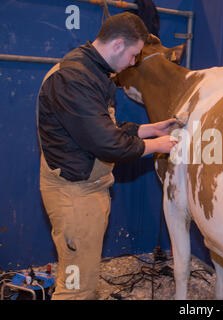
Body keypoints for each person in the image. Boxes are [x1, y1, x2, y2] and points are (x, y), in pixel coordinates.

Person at [37, 12, 177, 299]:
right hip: (74, 196)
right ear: (117, 45)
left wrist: (148, 130)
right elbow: (107, 143)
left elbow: (101, 127)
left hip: (83, 187)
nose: (134, 62)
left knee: (79, 273)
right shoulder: (75, 78)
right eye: (134, 54)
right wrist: (159, 145)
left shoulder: (91, 70)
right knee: (77, 286)